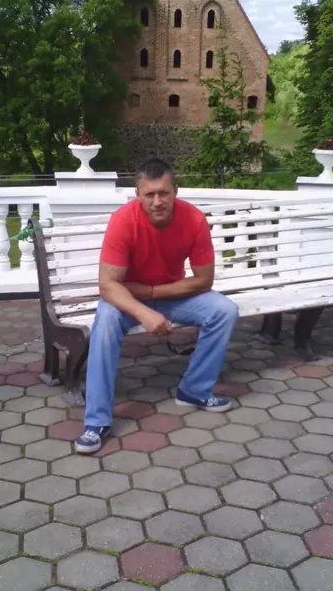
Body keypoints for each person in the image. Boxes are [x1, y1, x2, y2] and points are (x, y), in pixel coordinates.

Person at [76, 158, 239, 454]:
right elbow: (108, 285)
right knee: (105, 323)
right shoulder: (123, 220)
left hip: (171, 293)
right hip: (127, 298)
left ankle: (194, 390)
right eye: (149, 194)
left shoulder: (194, 220)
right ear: (137, 195)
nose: (157, 201)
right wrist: (144, 312)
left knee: (224, 310)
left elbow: (204, 280)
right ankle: (96, 421)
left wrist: (152, 293)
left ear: (175, 191)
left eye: (163, 192)